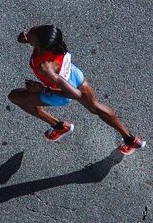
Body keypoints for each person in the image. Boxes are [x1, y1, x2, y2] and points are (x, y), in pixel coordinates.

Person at [8, 25, 145, 154]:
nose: (26, 33)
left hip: (61, 92)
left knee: (15, 97)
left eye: (30, 35)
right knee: (95, 106)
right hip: (75, 75)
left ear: (41, 45)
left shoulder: (45, 68)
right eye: (30, 31)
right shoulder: (53, 42)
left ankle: (59, 127)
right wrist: (28, 40)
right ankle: (130, 140)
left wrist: (43, 89)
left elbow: (75, 94)